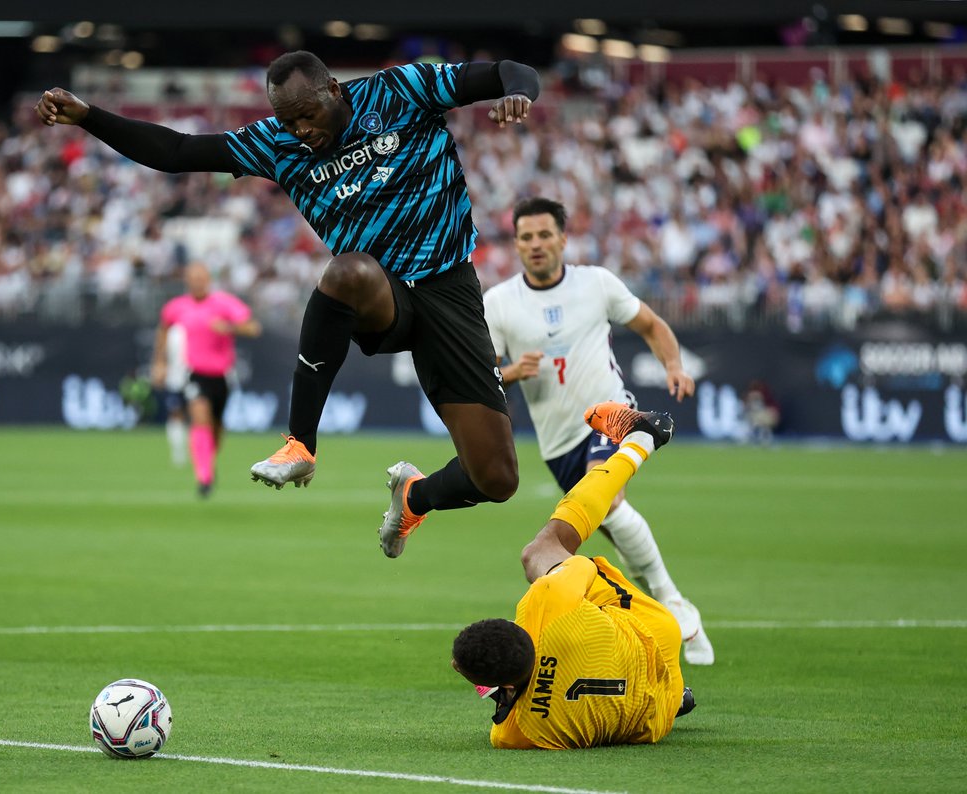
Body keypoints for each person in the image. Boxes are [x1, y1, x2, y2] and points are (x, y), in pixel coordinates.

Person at [36, 51, 540, 556]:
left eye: (308, 114)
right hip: (380, 295)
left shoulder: (399, 90)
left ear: (335, 90)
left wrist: (517, 91)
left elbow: (509, 72)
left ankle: (414, 495)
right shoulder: (275, 144)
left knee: (495, 477)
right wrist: (89, 117)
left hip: (449, 290)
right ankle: (301, 442)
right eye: (287, 119)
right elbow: (177, 151)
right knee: (346, 271)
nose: (300, 129)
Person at [482, 197, 713, 665]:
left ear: (563, 239)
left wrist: (674, 365)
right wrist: (509, 372)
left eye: (545, 235)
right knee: (611, 525)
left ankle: (669, 598)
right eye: (526, 237)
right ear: (517, 245)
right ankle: (673, 614)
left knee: (609, 501)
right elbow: (477, 373)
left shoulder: (596, 283)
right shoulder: (500, 303)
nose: (536, 244)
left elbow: (649, 323)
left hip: (610, 412)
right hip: (557, 443)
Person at [451, 401, 696, 750]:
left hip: (657, 710)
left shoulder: (515, 734)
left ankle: (675, 699)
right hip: (657, 634)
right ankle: (641, 440)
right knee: (541, 552)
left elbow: (517, 697)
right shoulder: (546, 605)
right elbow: (582, 567)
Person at [154, 263, 261, 497]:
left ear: (208, 280)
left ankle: (207, 460)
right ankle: (204, 476)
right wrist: (159, 362)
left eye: (201, 278)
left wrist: (230, 327)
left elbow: (253, 328)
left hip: (222, 375)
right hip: (194, 374)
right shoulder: (176, 307)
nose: (197, 282)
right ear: (187, 281)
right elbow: (163, 330)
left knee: (216, 428)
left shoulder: (224, 303)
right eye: (192, 278)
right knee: (199, 417)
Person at [151, 322, 191, 468]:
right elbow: (162, 352)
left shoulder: (199, 324)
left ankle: (199, 452)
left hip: (197, 376)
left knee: (199, 415)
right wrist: (159, 367)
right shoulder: (172, 329)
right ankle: (178, 452)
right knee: (175, 414)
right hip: (176, 378)